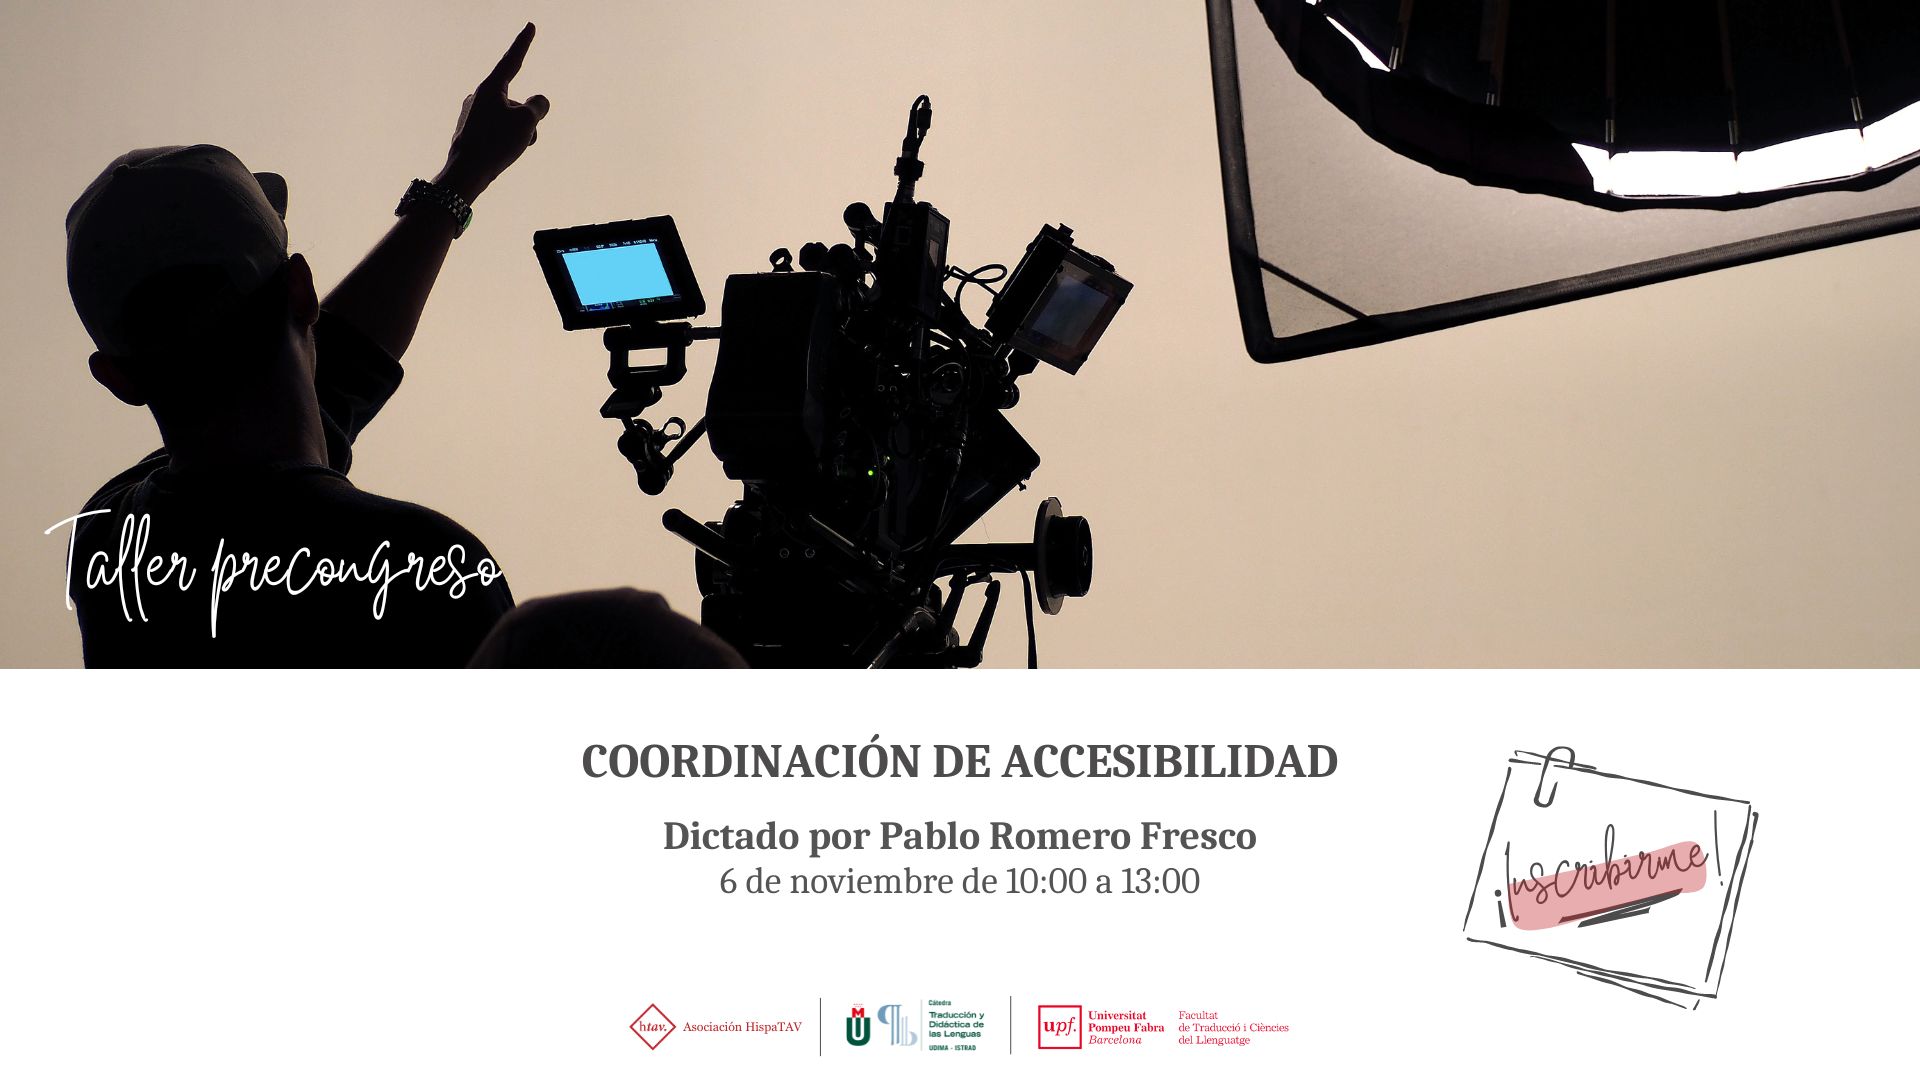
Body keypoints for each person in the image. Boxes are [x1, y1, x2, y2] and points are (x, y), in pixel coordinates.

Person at [59, 25, 551, 667]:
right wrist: (465, 171)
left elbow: (331, 379)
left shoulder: (107, 549)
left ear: (116, 377)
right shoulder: (425, 570)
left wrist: (457, 186)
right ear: (301, 288)